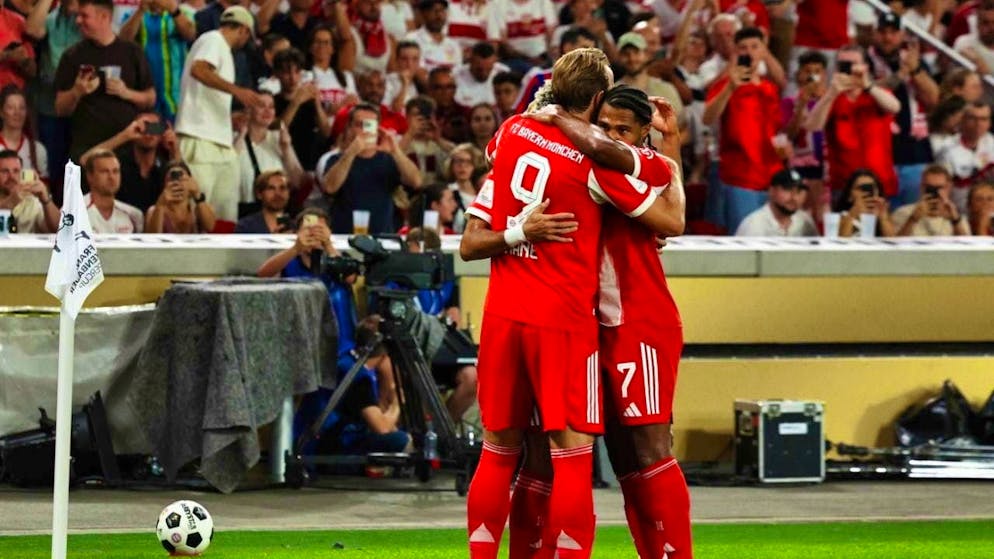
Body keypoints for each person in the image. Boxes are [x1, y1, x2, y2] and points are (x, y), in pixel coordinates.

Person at [459, 48, 682, 559]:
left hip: (503, 314)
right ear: (598, 99)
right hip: (563, 321)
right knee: (573, 459)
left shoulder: (513, 132)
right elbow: (670, 214)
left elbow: (474, 230)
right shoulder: (595, 159)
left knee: (499, 455)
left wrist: (518, 229)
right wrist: (667, 144)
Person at [519, 83, 688, 558]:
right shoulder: (584, 166)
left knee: (650, 448)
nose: (610, 135)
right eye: (605, 126)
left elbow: (673, 221)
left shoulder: (619, 172)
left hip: (639, 324)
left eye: (623, 130)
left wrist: (554, 118)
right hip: (583, 328)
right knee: (607, 453)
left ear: (640, 138)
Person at [175, 5, 262, 226]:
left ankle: (223, 261)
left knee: (223, 218)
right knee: (197, 215)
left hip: (219, 142)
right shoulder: (214, 39)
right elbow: (199, 69)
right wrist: (237, 90)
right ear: (243, 30)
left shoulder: (219, 48)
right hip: (199, 138)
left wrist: (229, 119)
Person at [293, 315, 410, 463]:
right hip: (324, 448)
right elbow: (383, 429)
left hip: (322, 440)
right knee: (401, 440)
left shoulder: (347, 360)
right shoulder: (356, 377)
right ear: (385, 356)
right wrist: (396, 404)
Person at [703, 26, 784, 233]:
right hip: (739, 177)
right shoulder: (725, 84)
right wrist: (731, 87)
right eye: (743, 48)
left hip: (772, 177)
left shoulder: (769, 88)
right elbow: (707, 118)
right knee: (743, 240)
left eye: (755, 47)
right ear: (735, 53)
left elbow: (777, 131)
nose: (749, 52)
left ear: (763, 50)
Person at [54, 0, 155, 163]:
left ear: (104, 17)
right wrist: (76, 91)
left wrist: (126, 93)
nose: (78, 20)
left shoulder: (132, 52)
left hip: (127, 150)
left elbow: (150, 98)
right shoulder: (72, 56)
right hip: (87, 151)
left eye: (84, 16)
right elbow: (60, 108)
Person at [804, 45, 902, 210]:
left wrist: (868, 86)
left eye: (853, 63)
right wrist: (832, 92)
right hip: (844, 186)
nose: (849, 69)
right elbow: (813, 126)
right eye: (843, 64)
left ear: (866, 67)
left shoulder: (877, 94)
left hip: (880, 183)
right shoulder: (831, 97)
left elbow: (895, 107)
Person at [869, 13, 940, 209]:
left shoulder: (913, 60)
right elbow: (868, 90)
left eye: (893, 32)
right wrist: (902, 74)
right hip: (880, 154)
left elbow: (934, 98)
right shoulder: (866, 59)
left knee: (914, 218)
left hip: (914, 153)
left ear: (902, 35)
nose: (888, 37)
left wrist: (915, 70)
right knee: (881, 223)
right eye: (883, 32)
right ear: (874, 33)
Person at [320, 102, 422, 234]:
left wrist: (395, 151)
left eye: (369, 125)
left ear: (377, 128)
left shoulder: (389, 159)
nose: (364, 130)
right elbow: (329, 187)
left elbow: (416, 181)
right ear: (349, 128)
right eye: (359, 125)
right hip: (345, 237)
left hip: (382, 237)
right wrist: (351, 152)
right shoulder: (337, 159)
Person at [24, 0, 81, 196]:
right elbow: (32, 29)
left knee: (79, 167)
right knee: (54, 167)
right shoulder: (52, 19)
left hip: (82, 106)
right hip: (49, 105)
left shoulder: (87, 18)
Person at [80, 112, 180, 212]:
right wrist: (125, 136)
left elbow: (182, 185)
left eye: (154, 128)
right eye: (144, 128)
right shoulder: (118, 164)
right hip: (121, 221)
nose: (149, 134)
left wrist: (174, 149)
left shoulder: (164, 165)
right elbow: (85, 161)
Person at [118, 0, 196, 121]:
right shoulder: (133, 14)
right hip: (146, 94)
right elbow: (123, 41)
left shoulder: (183, 12)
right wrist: (140, 10)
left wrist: (174, 11)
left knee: (171, 137)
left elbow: (190, 35)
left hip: (176, 97)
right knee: (152, 135)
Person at [234, 90, 305, 211]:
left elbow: (298, 182)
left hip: (274, 212)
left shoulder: (279, 138)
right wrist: (241, 135)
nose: (267, 111)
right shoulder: (234, 138)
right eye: (261, 106)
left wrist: (286, 148)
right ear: (248, 109)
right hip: (243, 211)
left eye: (271, 107)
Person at [273, 47, 332, 172]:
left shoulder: (309, 101)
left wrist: (317, 103)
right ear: (277, 74)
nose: (293, 78)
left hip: (310, 162)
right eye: (287, 72)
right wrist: (296, 102)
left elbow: (326, 132)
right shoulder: (273, 101)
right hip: (283, 162)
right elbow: (277, 129)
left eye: (297, 72)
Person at [936, 101, 994, 213]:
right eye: (973, 118)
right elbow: (942, 188)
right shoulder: (947, 149)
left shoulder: (992, 143)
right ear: (962, 120)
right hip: (960, 212)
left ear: (989, 123)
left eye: (983, 119)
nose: (978, 123)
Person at [892, 165, 971, 236]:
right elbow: (895, 248)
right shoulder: (902, 213)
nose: (934, 192)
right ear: (922, 187)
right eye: (930, 188)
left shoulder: (957, 217)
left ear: (948, 188)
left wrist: (955, 222)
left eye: (939, 188)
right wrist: (913, 219)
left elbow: (968, 250)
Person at [735, 168, 818, 237]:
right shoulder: (754, 224)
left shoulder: (805, 220)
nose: (794, 197)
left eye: (798, 191)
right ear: (771, 191)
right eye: (788, 189)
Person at [145, 160, 217, 233]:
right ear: (164, 184)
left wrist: (197, 194)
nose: (177, 183)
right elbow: (153, 238)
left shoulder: (198, 209)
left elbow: (210, 227)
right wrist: (160, 205)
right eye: (171, 179)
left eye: (182, 179)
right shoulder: (154, 210)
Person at [81, 149, 144, 233]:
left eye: (115, 171)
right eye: (104, 171)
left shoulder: (134, 215)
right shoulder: (75, 211)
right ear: (90, 176)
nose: (111, 177)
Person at [0, 148, 59, 232]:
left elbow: (57, 230)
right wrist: (9, 204)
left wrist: (46, 200)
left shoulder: (32, 202)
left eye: (16, 171)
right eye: (5, 171)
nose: (11, 177)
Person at [0, 86, 48, 182]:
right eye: (11, 107)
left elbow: (44, 187)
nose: (17, 112)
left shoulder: (38, 149)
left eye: (21, 108)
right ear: (1, 112)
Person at [834, 169, 897, 238]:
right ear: (849, 196)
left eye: (871, 187)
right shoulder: (843, 216)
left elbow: (892, 242)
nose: (866, 192)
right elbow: (842, 242)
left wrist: (883, 219)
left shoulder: (883, 213)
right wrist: (853, 214)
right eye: (861, 188)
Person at [405, 0, 461, 72]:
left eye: (442, 10)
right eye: (433, 10)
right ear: (423, 14)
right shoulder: (412, 39)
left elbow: (457, 74)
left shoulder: (454, 45)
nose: (439, 15)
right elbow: (416, 72)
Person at [235, 169, 293, 233]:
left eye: (282, 188)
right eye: (271, 188)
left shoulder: (298, 226)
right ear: (259, 194)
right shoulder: (245, 226)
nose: (278, 193)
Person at [444, 142, 485, 232]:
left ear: (474, 165)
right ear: (451, 165)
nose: (462, 166)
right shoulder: (446, 192)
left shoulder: (482, 193)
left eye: (468, 162)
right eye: (458, 161)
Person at [454, 41, 508, 107]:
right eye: (479, 69)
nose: (484, 73)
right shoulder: (456, 75)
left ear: (494, 61)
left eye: (489, 69)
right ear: (470, 61)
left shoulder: (504, 73)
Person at [0, 0, 37, 90]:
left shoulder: (18, 21)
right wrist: (8, 55)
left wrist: (24, 61)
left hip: (15, 94)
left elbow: (32, 72)